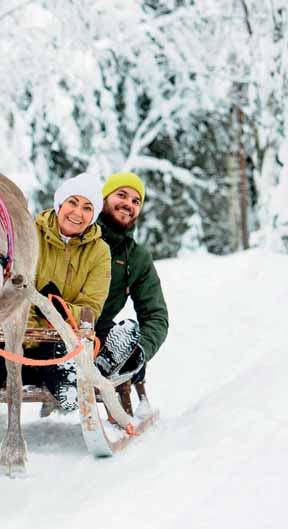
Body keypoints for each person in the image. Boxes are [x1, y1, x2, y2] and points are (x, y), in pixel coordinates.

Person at [0, 172, 112, 411]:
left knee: (57, 354)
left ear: (93, 216)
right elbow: (14, 289)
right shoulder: (30, 234)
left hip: (60, 337)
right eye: (72, 202)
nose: (77, 213)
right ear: (60, 204)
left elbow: (91, 307)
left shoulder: (99, 252)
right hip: (19, 337)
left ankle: (67, 383)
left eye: (87, 208)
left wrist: (58, 307)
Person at [93, 171, 169, 400]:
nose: (128, 204)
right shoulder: (78, 235)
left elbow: (156, 315)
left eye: (136, 201)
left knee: (124, 342)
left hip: (99, 332)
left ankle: (117, 363)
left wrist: (140, 352)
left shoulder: (137, 258)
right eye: (121, 195)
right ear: (104, 199)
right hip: (55, 325)